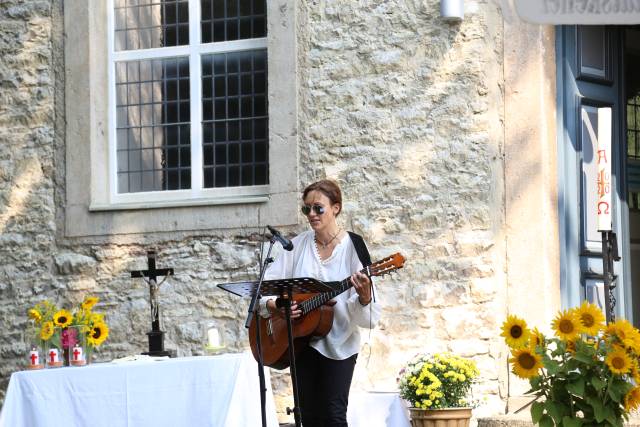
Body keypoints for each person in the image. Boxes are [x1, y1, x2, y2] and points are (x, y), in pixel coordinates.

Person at [259, 179, 381, 427]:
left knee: (333, 417)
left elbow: (370, 318)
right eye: (306, 209)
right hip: (301, 342)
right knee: (308, 417)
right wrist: (276, 306)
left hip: (340, 345)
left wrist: (365, 296)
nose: (311, 214)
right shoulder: (297, 246)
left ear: (336, 208)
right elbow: (265, 288)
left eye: (318, 208)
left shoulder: (353, 246)